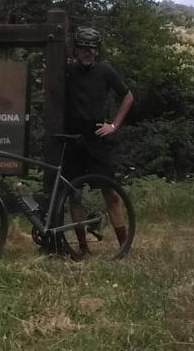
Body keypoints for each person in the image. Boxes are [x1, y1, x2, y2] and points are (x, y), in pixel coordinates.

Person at [62, 26, 134, 258]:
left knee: (110, 192)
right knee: (74, 193)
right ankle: (83, 247)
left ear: (96, 50)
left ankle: (123, 245)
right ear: (77, 49)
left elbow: (128, 95)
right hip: (72, 135)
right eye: (83, 47)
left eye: (91, 48)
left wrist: (114, 125)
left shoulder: (105, 71)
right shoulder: (68, 71)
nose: (87, 52)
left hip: (96, 134)